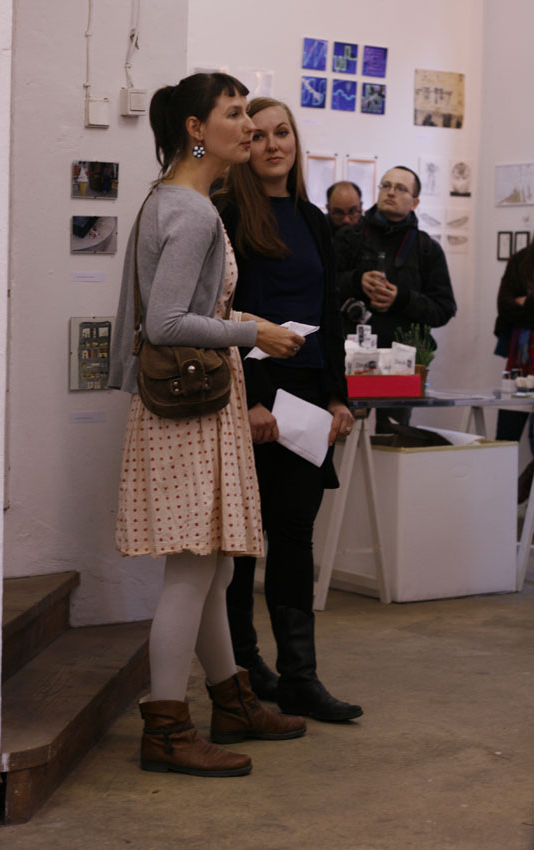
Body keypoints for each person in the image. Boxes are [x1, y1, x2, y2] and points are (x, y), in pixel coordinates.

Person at [108, 73, 308, 779]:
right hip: (190, 411)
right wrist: (254, 331)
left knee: (214, 564)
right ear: (197, 129)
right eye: (234, 114)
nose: (249, 127)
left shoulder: (169, 199)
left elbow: (169, 317)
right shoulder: (191, 212)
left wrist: (248, 327)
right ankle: (166, 729)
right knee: (194, 570)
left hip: (188, 407)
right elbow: (166, 323)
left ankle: (232, 702)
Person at [214, 97, 363, 723]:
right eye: (259, 135)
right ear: (243, 144)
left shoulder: (312, 219)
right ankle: (244, 672)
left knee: (296, 535)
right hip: (251, 394)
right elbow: (225, 312)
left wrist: (338, 396)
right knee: (243, 542)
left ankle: (301, 678)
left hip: (306, 400)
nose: (273, 144)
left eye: (283, 133)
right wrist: (250, 399)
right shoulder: (227, 213)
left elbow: (329, 315)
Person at [334, 165, 457, 430]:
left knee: (393, 440)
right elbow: (321, 288)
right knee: (342, 438)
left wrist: (402, 299)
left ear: (415, 202)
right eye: (386, 186)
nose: (391, 192)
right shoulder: (348, 238)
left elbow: (444, 309)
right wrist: (357, 281)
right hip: (348, 359)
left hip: (402, 364)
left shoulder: (427, 249)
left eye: (400, 188)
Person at [493, 239, 534, 501]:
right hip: (519, 363)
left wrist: (525, 302)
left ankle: (524, 489)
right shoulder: (521, 259)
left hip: (520, 357)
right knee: (505, 439)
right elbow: (504, 307)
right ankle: (498, 503)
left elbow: (515, 307)